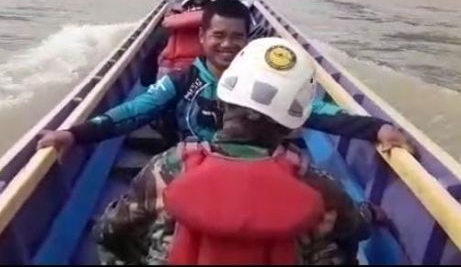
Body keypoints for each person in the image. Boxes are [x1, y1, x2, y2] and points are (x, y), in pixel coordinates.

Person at [92, 37, 382, 265]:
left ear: (223, 103)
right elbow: (358, 228)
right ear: (293, 126)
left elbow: (109, 231)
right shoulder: (318, 186)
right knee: (340, 244)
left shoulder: (167, 167)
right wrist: (367, 213)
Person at [37, 0, 409, 152]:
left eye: (237, 37)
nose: (227, 45)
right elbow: (134, 111)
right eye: (218, 36)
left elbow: (319, 112)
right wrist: (73, 133)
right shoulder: (184, 80)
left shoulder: (269, 83)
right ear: (202, 36)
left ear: (249, 40)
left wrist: (377, 128)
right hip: (190, 165)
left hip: (260, 168)